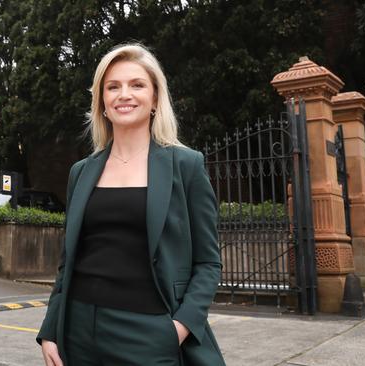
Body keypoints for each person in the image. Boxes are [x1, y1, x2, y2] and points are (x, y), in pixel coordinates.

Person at [37, 44, 226, 366]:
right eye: (113, 87)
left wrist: (178, 329)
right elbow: (68, 262)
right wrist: (51, 329)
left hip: (151, 332)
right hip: (78, 331)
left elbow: (208, 263)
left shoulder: (186, 165)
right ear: (102, 103)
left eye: (137, 85)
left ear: (154, 98)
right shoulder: (81, 172)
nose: (124, 94)